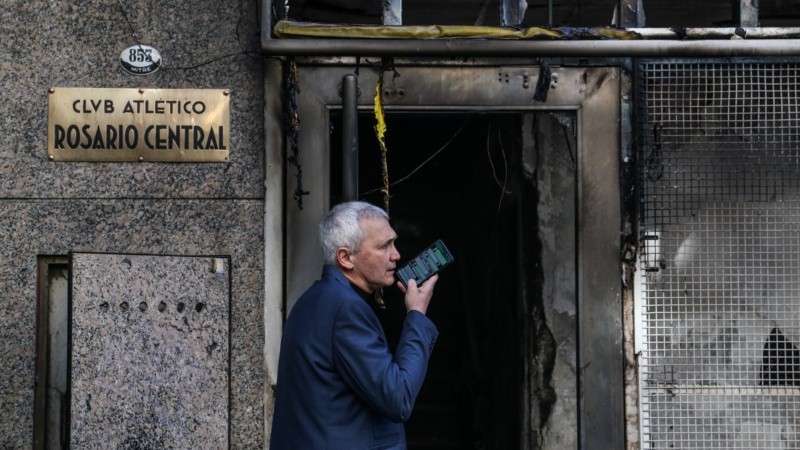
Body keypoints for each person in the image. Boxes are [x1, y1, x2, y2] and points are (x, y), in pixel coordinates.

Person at [270, 201, 439, 450]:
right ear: (346, 258)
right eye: (383, 246)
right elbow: (398, 398)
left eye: (393, 242)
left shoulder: (311, 300)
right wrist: (416, 314)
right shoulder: (346, 309)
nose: (396, 255)